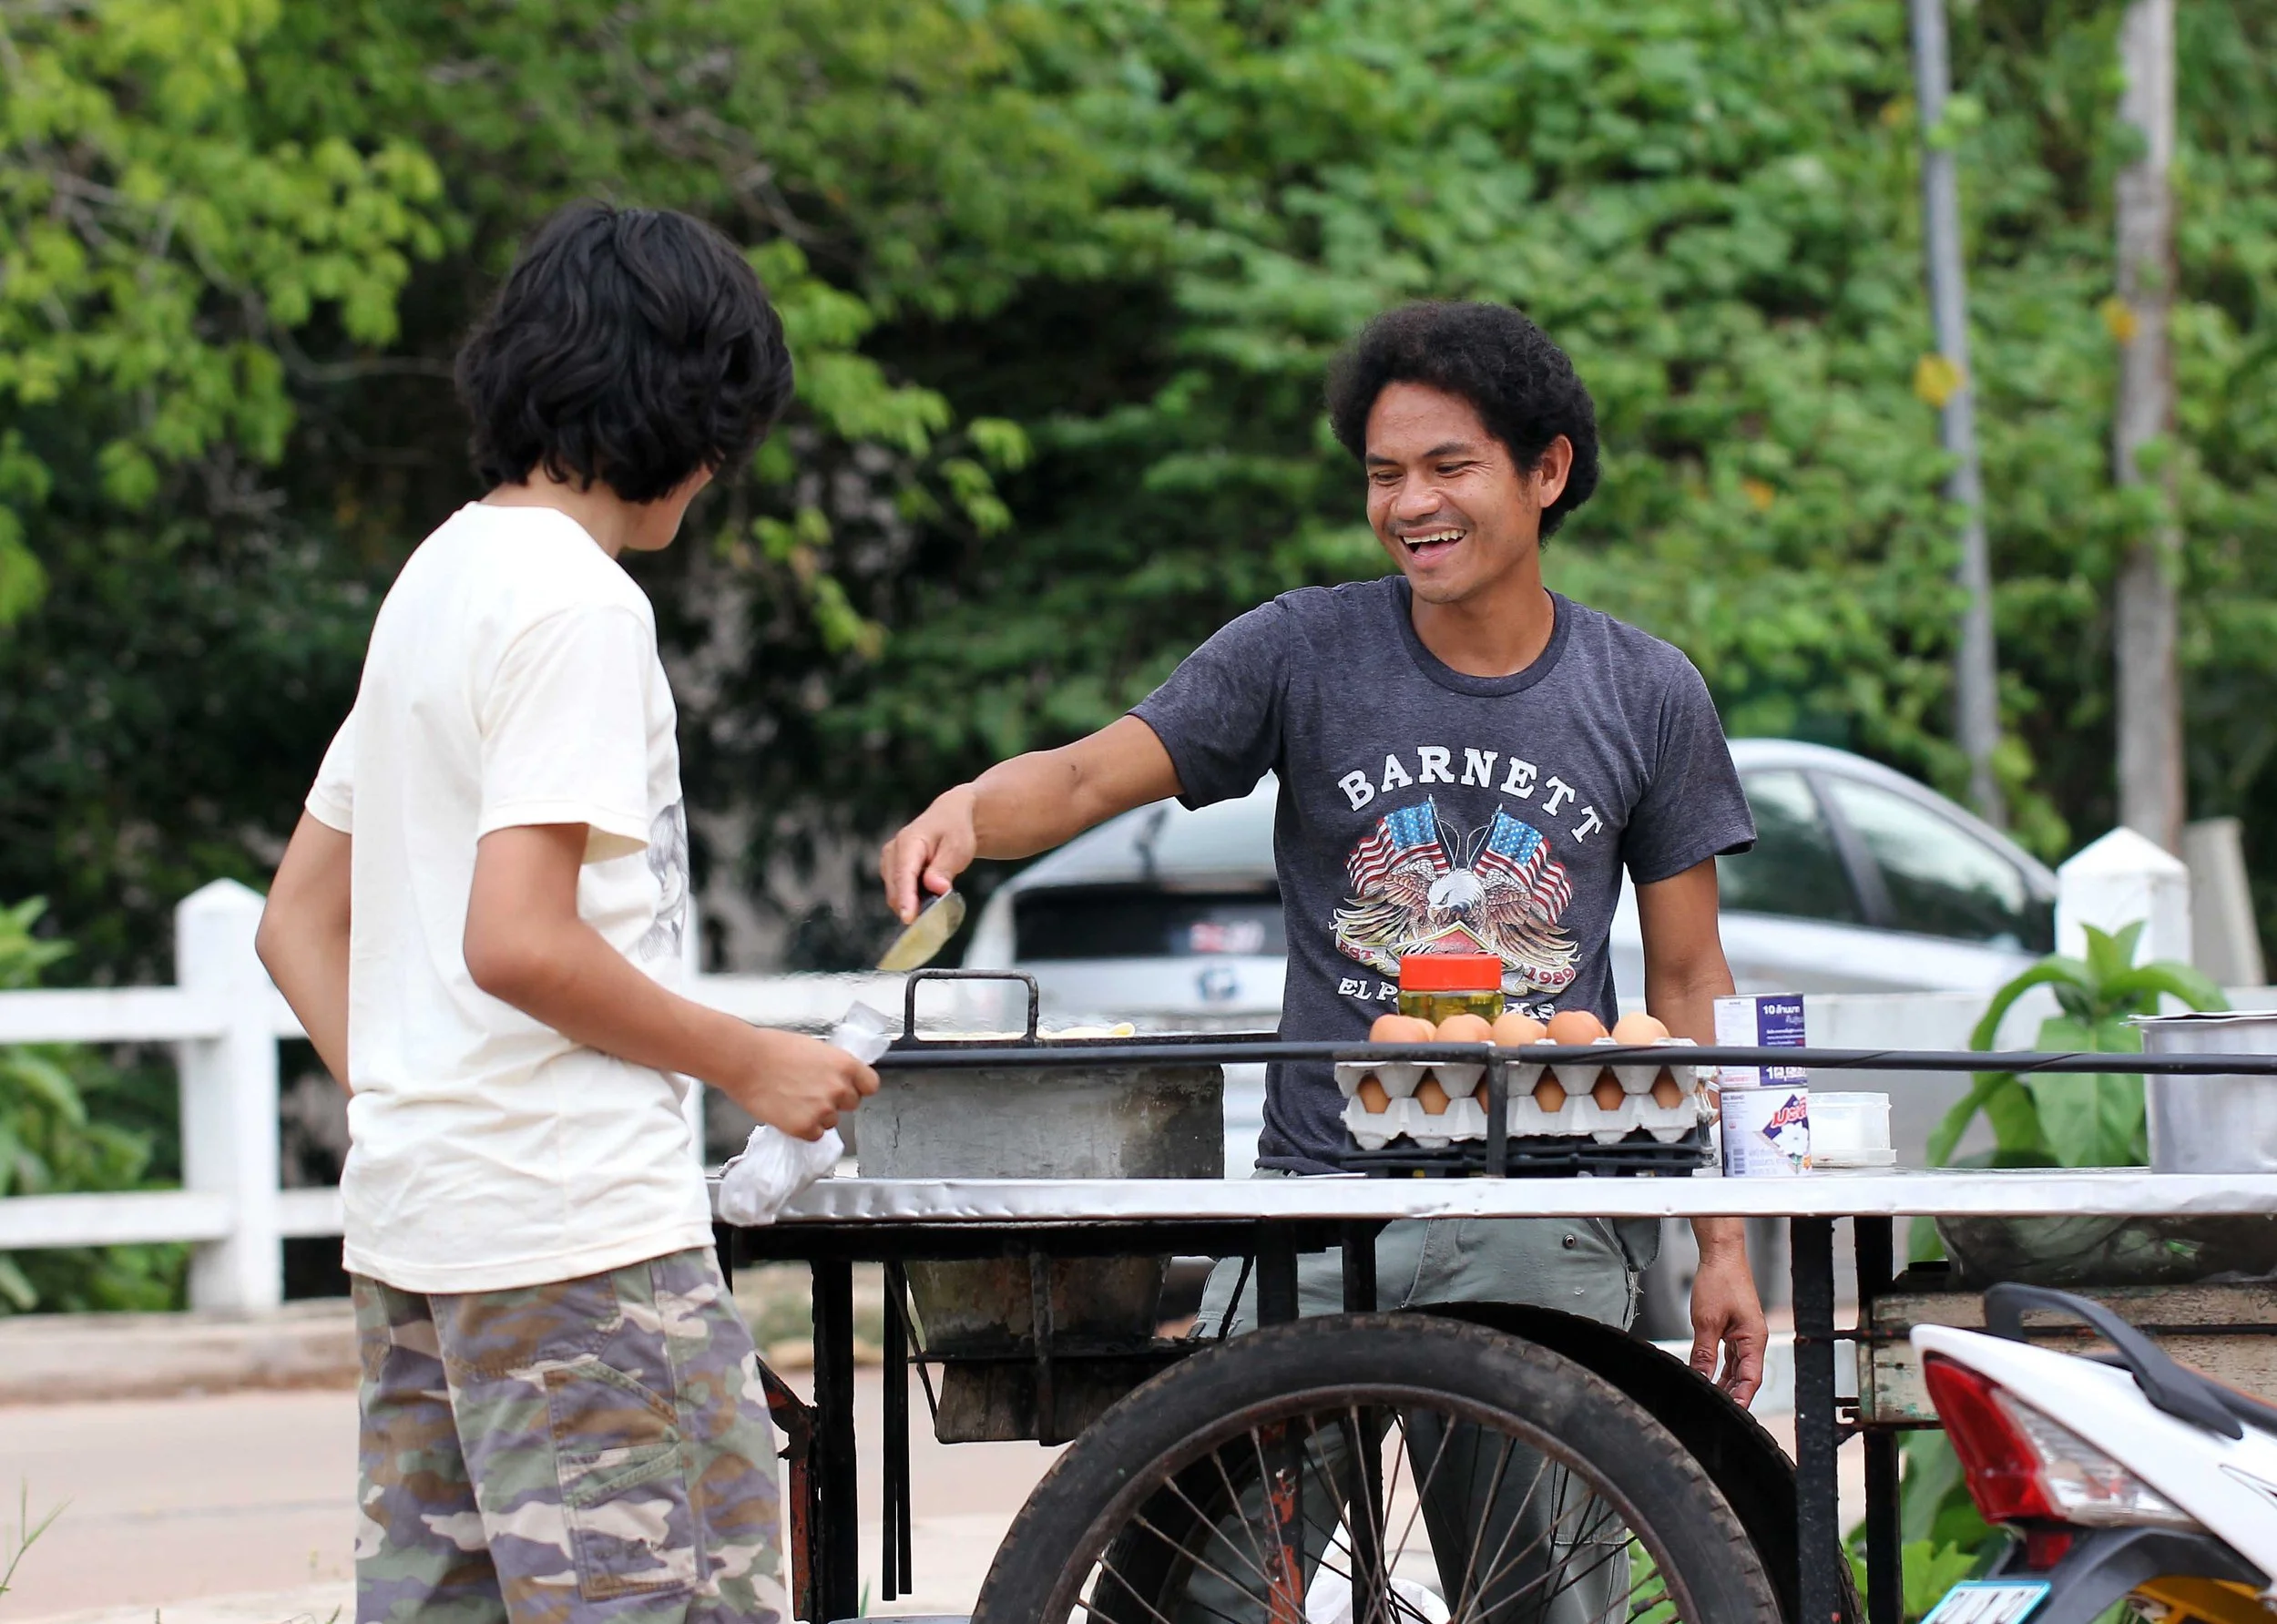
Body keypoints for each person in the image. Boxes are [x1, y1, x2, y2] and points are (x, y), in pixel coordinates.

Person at [881, 301, 1769, 1609]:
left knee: (1538, 1597)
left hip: (1546, 1204)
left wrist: (1727, 1236)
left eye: (1448, 466)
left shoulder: (1645, 692)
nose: (1411, 501)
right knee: (1201, 1587)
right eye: (1382, 473)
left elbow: (1689, 983)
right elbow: (1083, 776)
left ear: (1548, 470)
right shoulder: (1303, 649)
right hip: (1320, 1190)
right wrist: (971, 809)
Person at [256, 201, 877, 1624]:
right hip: (577, 1254)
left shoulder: (440, 575)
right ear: (682, 413)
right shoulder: (575, 606)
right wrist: (749, 1057)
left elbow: (294, 920)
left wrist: (422, 1107)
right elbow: (520, 938)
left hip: (426, 1240)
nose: (716, 476)